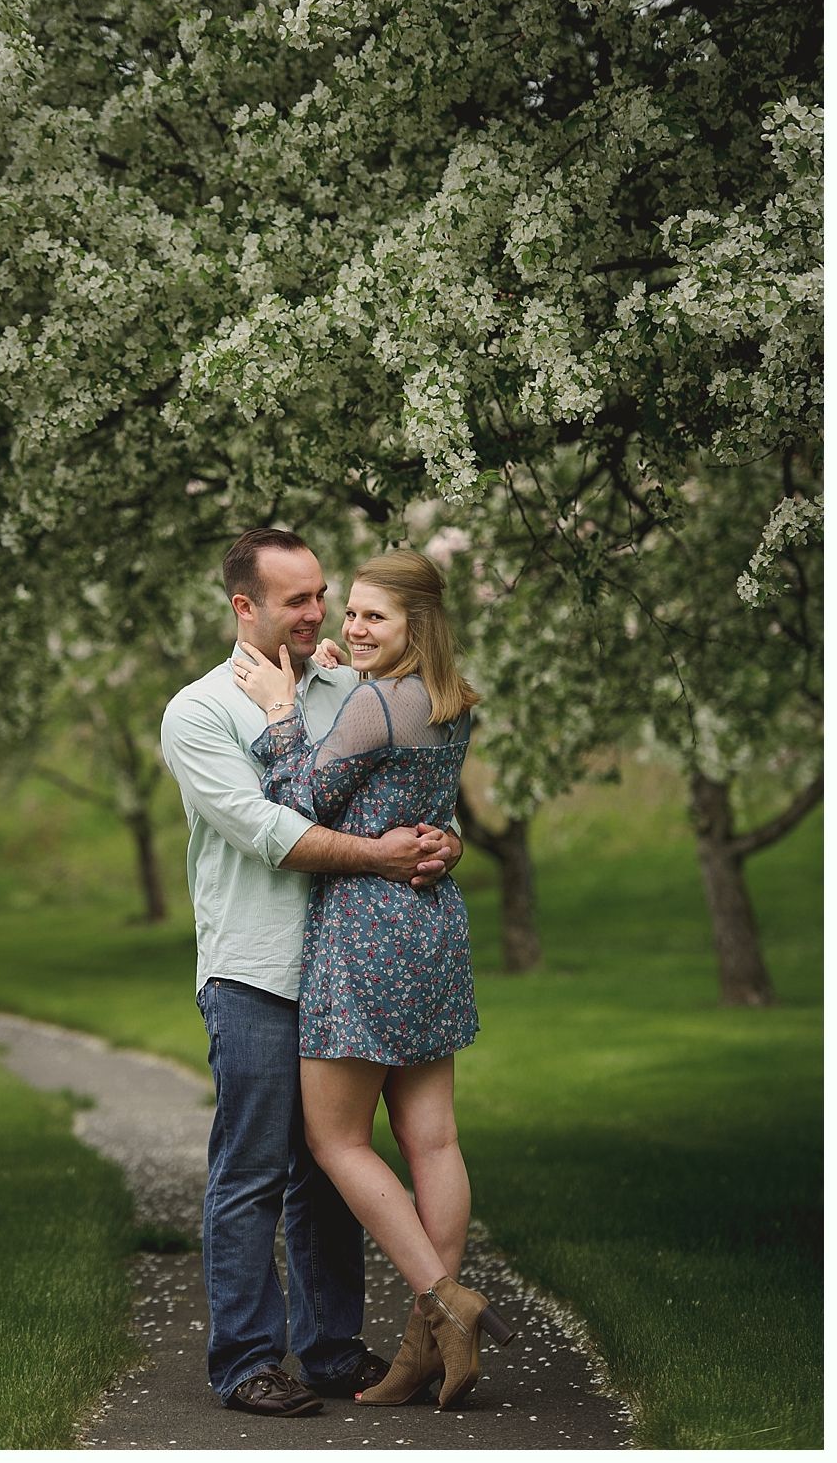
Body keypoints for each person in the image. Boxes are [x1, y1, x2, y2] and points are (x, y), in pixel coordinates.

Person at [160, 528, 463, 1417]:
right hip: (255, 971)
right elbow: (267, 831)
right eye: (295, 599)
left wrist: (447, 842)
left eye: (320, 594)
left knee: (332, 1169)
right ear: (243, 606)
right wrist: (377, 857)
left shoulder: (345, 685)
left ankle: (333, 1349)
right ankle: (248, 1359)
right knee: (252, 1171)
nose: (317, 613)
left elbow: (404, 789)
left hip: (346, 969)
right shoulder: (201, 711)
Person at [232, 548, 516, 1411]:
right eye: (347, 613)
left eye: (371, 617)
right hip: (432, 923)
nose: (350, 628)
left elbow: (297, 801)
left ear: (414, 627)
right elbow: (422, 805)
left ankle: (444, 1300)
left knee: (337, 1142)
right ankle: (423, 1349)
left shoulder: (369, 706)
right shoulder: (448, 702)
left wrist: (283, 713)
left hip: (365, 928)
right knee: (432, 1138)